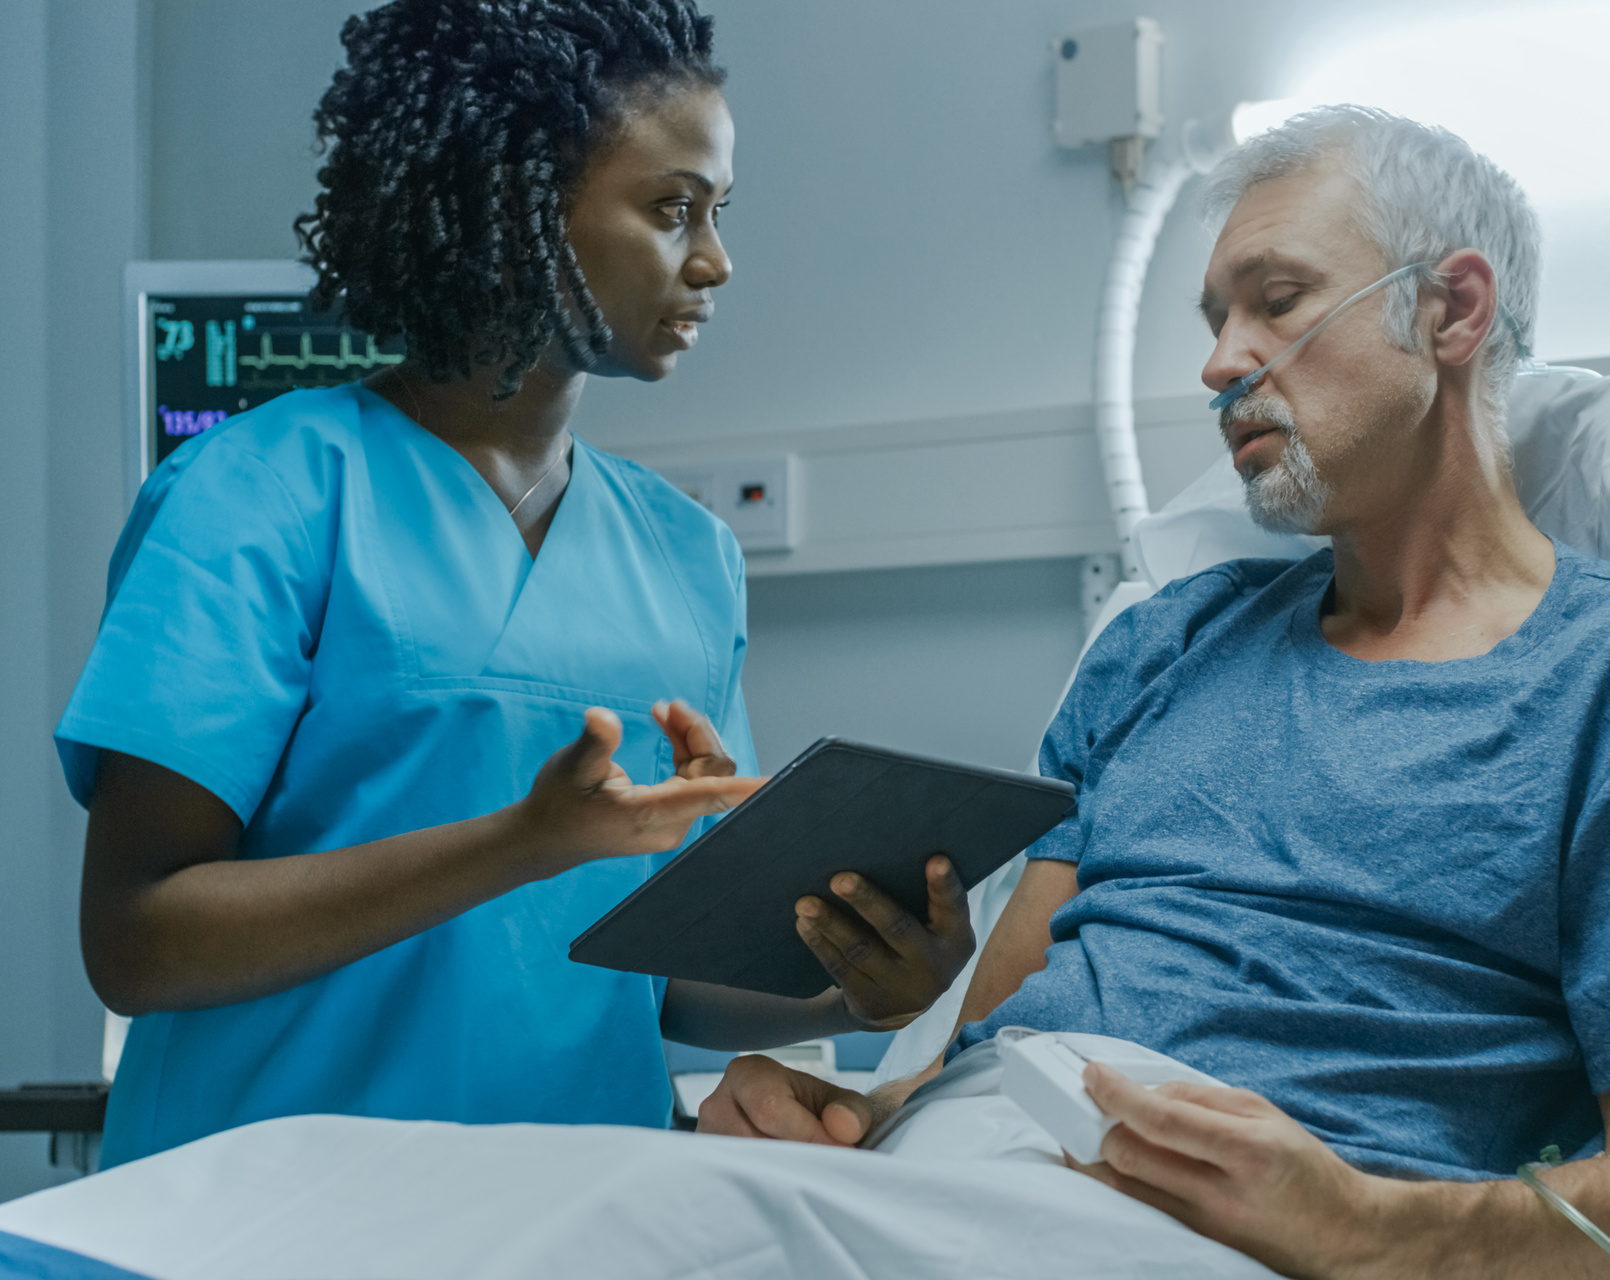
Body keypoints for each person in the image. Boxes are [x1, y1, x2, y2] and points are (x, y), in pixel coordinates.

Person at [695, 106, 1610, 1279]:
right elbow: (998, 1040)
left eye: (1279, 299)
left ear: (1452, 308)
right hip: (971, 1172)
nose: (1219, 362)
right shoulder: (1163, 645)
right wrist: (846, 1113)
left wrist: (1361, 1220)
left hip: (1242, 1229)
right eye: (1214, 319)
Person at [59, 0, 972, 1170]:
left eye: (719, 212)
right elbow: (136, 939)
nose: (714, 260)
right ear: (521, 210)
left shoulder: (687, 557)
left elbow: (664, 976)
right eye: (671, 208)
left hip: (573, 1213)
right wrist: (520, 841)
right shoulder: (258, 496)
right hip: (263, 1208)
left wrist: (865, 984)